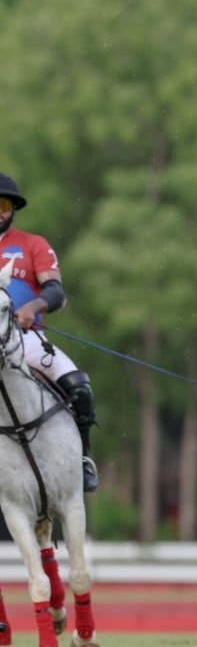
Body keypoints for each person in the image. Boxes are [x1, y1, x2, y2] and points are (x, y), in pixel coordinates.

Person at [0, 172, 99, 492]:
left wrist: (32, 308)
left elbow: (55, 291)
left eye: (3, 204)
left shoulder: (33, 244)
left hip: (25, 341)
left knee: (79, 388)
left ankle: (83, 460)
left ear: (13, 208)